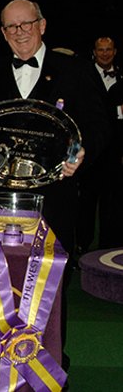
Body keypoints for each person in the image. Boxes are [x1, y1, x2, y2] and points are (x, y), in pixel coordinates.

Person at [0, 0, 110, 257]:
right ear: (3, 33)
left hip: (56, 196)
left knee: (53, 281)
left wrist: (82, 151)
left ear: (42, 25)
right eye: (11, 26)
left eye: (26, 23)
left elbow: (99, 125)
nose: (19, 31)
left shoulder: (76, 70)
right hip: (1, 198)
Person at [77, 36, 123, 252]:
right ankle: (81, 246)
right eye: (100, 49)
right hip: (89, 152)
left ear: (114, 52)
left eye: (109, 49)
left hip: (115, 153)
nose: (105, 53)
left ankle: (108, 249)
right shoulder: (81, 76)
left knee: (112, 203)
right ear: (94, 52)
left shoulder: (122, 77)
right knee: (85, 202)